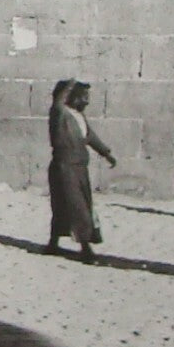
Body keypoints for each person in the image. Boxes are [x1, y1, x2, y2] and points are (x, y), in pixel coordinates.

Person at [45, 79, 116, 264]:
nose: (86, 101)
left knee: (66, 205)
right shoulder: (59, 113)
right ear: (71, 97)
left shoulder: (78, 117)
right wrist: (72, 82)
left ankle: (53, 244)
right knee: (77, 206)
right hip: (64, 167)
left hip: (79, 167)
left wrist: (106, 153)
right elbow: (58, 100)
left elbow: (90, 137)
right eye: (83, 97)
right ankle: (85, 248)